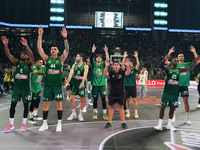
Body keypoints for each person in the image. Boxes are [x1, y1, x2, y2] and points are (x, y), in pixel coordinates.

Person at [154, 56, 200, 131]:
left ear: (177, 63)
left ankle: (169, 124)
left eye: (176, 60)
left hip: (174, 93)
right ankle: (159, 124)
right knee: (163, 107)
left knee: (172, 109)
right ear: (171, 62)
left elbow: (190, 68)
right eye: (174, 59)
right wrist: (166, 57)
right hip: (166, 92)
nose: (175, 60)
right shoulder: (168, 69)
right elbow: (160, 65)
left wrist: (195, 62)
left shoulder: (180, 70)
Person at [37, 26, 69, 132]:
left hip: (57, 85)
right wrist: (40, 35)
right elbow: (39, 49)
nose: (53, 50)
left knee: (59, 104)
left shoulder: (60, 59)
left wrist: (65, 38)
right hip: (48, 85)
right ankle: (45, 123)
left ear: (58, 51)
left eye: (55, 49)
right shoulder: (47, 59)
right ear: (50, 51)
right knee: (46, 104)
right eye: (52, 49)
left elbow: (67, 50)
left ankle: (59, 123)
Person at [1, 36, 34, 132]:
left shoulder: (29, 64)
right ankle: (11, 124)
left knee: (25, 107)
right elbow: (8, 55)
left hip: (26, 89)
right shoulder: (17, 63)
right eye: (22, 54)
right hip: (16, 89)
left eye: (25, 54)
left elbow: (32, 56)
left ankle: (24, 124)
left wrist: (27, 46)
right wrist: (6, 45)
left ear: (27, 56)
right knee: (12, 106)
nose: (23, 55)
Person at [164, 46, 198, 124]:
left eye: (182, 56)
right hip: (176, 85)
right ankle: (173, 117)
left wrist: (194, 52)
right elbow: (165, 61)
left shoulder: (187, 64)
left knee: (186, 102)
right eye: (179, 56)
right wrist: (169, 52)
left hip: (184, 86)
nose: (181, 57)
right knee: (174, 102)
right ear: (178, 58)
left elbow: (197, 61)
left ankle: (187, 118)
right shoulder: (174, 65)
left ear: (183, 57)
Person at [104, 58, 130, 129]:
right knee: (111, 107)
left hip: (121, 93)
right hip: (112, 93)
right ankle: (109, 122)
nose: (116, 66)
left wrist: (127, 66)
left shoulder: (122, 72)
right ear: (113, 66)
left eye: (117, 65)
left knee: (121, 107)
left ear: (119, 66)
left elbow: (128, 73)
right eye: (114, 65)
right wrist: (106, 66)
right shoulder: (111, 72)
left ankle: (123, 122)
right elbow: (105, 73)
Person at [65, 53, 89, 121]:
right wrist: (67, 82)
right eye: (76, 56)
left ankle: (80, 114)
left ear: (81, 58)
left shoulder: (85, 65)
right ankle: (73, 113)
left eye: (77, 56)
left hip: (82, 83)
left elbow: (85, 75)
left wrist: (82, 82)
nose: (76, 57)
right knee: (72, 99)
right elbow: (70, 74)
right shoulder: (74, 65)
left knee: (83, 99)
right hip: (75, 83)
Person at [90, 44, 109, 120]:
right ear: (96, 59)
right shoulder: (93, 65)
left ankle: (104, 113)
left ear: (101, 59)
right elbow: (91, 59)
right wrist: (93, 51)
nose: (98, 59)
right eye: (97, 58)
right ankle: (95, 112)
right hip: (94, 85)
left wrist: (106, 52)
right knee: (95, 100)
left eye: (100, 58)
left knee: (104, 99)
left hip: (102, 85)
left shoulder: (103, 65)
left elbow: (107, 60)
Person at [122, 51, 140, 119]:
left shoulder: (134, 70)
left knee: (134, 100)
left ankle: (136, 113)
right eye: (128, 63)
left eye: (130, 63)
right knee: (127, 100)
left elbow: (138, 65)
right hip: (126, 86)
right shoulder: (125, 70)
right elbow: (122, 65)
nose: (129, 64)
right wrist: (124, 57)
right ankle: (128, 112)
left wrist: (137, 57)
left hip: (133, 86)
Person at [28, 57, 45, 124]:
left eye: (42, 62)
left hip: (38, 87)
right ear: (36, 62)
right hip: (32, 88)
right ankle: (30, 117)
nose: (41, 64)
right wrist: (43, 74)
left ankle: (35, 115)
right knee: (32, 102)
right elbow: (35, 73)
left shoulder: (43, 67)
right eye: (40, 62)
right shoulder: (33, 67)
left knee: (37, 101)